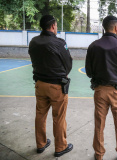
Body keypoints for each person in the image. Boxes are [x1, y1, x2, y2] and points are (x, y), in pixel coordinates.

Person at [85, 15, 117, 160]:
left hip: (100, 90)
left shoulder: (93, 46)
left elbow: (89, 71)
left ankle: (99, 154)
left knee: (99, 124)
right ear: (115, 28)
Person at [28, 15, 73, 157]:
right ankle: (60, 147)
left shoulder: (34, 42)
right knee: (58, 117)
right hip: (56, 86)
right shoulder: (59, 43)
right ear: (53, 26)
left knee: (40, 115)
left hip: (40, 84)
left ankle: (40, 144)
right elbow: (68, 64)